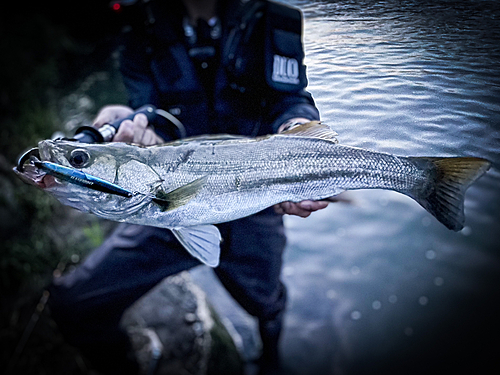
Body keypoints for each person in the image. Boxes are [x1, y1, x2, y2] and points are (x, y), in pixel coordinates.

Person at [48, 0, 328, 373]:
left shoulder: (275, 19)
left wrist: (296, 128)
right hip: (163, 201)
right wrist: (137, 127)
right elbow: (149, 110)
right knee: (75, 304)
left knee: (267, 302)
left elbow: (290, 99)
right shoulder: (138, 24)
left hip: (256, 202)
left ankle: (271, 360)